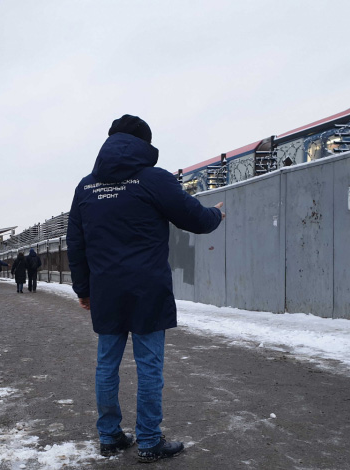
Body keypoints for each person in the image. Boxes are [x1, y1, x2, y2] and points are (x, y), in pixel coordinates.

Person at [67, 114, 225, 462]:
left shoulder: (86, 187)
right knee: (149, 365)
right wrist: (216, 214)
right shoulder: (154, 179)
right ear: (144, 144)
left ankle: (109, 436)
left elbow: (75, 243)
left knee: (106, 364)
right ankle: (149, 441)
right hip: (147, 289)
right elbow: (195, 218)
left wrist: (83, 289)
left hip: (106, 289)